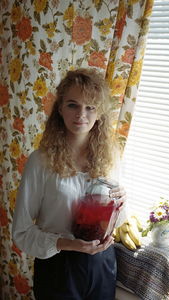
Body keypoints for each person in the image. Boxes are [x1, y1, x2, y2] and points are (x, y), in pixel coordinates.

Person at [12, 68, 126, 300]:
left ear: (100, 113)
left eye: (90, 107)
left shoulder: (111, 157)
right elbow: (21, 232)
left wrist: (122, 202)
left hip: (102, 264)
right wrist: (69, 245)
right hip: (58, 267)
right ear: (60, 108)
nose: (81, 114)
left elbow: (118, 221)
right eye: (73, 104)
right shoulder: (40, 161)